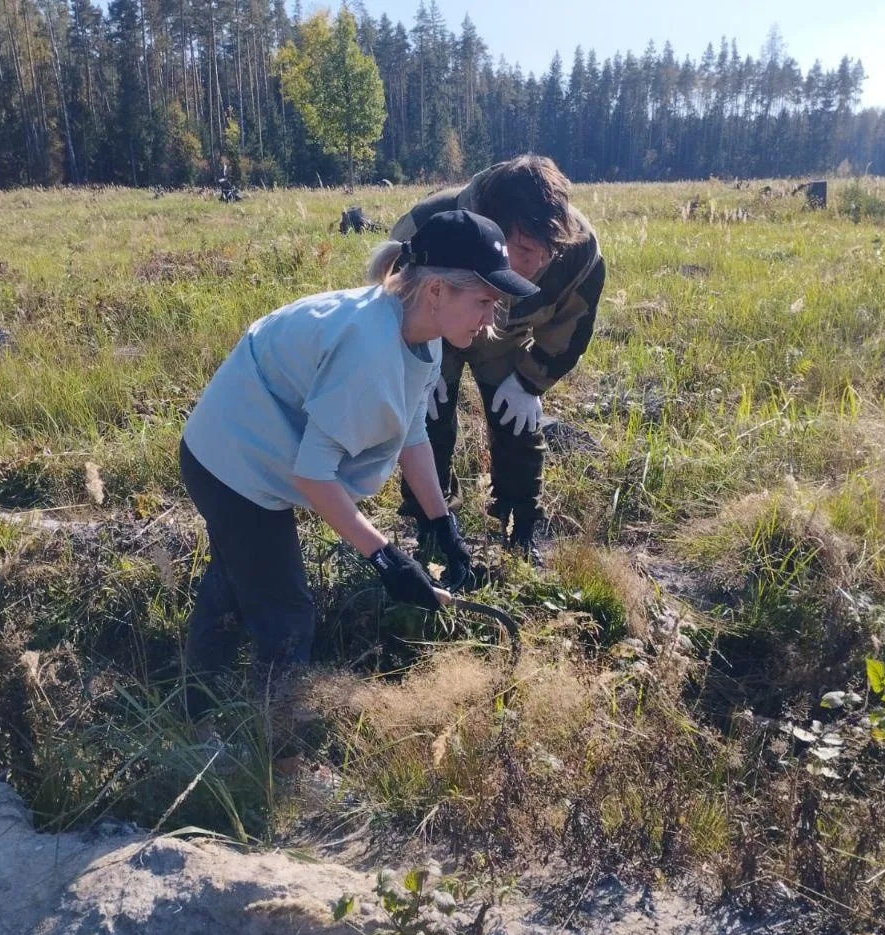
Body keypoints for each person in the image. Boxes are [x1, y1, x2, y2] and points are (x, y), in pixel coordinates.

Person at [178, 210, 538, 704]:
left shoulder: (424, 339)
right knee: (287, 616)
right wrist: (386, 558)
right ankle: (282, 765)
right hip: (230, 464)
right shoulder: (369, 350)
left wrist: (441, 524)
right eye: (483, 302)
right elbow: (313, 475)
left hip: (248, 449)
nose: (489, 320)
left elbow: (412, 430)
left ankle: (195, 706)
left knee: (240, 579)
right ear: (435, 291)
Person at [389, 155, 607, 561]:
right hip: (435, 333)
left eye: (548, 252)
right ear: (492, 224)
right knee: (427, 421)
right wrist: (413, 359)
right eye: (523, 248)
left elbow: (572, 326)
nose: (536, 264)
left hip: (506, 338)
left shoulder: (577, 249)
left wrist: (530, 381)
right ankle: (433, 529)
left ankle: (521, 526)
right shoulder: (431, 224)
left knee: (520, 424)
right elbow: (394, 299)